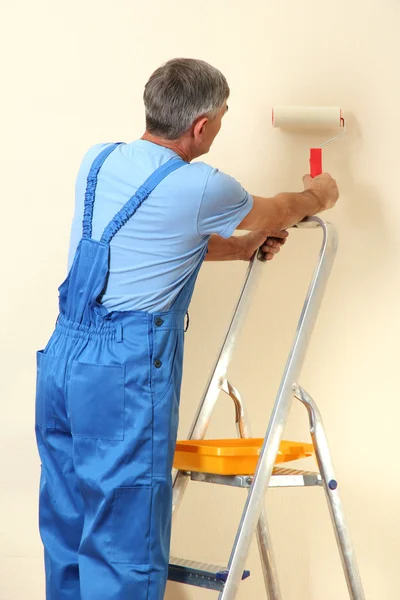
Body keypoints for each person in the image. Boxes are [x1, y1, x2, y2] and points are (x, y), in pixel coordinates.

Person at [35, 58, 339, 600]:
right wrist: (319, 193)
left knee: (69, 519)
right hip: (123, 372)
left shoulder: (98, 161)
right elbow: (276, 212)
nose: (220, 127)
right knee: (123, 537)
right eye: (221, 118)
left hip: (65, 356)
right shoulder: (203, 186)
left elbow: (147, 245)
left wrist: (241, 249)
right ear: (201, 126)